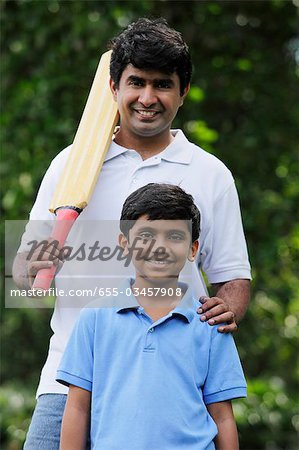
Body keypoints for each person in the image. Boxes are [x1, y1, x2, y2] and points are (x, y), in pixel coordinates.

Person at [12, 18, 251, 449]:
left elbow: (233, 278)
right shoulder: (70, 165)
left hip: (170, 383)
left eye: (162, 84)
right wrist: (32, 268)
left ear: (184, 91)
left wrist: (226, 310)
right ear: (113, 88)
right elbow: (23, 276)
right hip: (69, 378)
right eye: (135, 82)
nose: (147, 98)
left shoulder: (211, 174)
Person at [57, 183, 247, 450]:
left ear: (193, 248)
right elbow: (77, 408)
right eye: (146, 235)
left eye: (175, 236)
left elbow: (222, 416)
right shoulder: (94, 318)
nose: (160, 247)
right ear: (125, 243)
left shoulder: (210, 323)